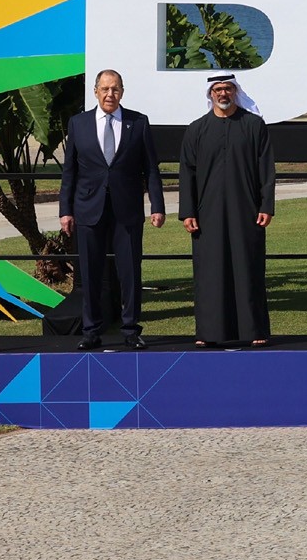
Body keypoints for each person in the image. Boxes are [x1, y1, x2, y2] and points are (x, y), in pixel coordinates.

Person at [57, 69, 164, 351]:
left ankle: (130, 329)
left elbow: (150, 169)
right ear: (95, 92)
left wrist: (157, 205)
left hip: (126, 210)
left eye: (115, 89)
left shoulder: (137, 123)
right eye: (104, 89)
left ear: (122, 92)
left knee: (130, 271)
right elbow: (70, 171)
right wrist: (65, 210)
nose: (109, 94)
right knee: (90, 273)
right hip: (88, 209)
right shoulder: (78, 124)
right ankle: (91, 330)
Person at [178, 73, 276, 348]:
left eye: (228, 89)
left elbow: (266, 169)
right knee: (210, 271)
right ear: (210, 94)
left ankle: (254, 329)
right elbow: (187, 173)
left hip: (247, 211)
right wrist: (188, 212)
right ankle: (209, 332)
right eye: (218, 90)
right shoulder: (196, 129)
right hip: (207, 214)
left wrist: (266, 205)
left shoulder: (254, 125)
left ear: (236, 92)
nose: (223, 94)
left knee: (248, 268)